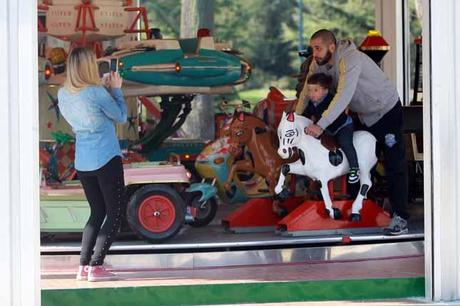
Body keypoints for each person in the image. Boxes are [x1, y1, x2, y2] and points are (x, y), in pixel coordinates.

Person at [296, 29, 409, 235]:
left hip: (385, 111)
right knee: (354, 159)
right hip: (363, 115)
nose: (315, 53)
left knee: (394, 163)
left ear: (332, 47)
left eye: (318, 48)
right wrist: (295, 119)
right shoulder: (318, 63)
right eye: (313, 48)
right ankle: (359, 210)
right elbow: (306, 92)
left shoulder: (351, 59)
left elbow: (343, 96)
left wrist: (320, 124)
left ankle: (400, 216)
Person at [58, 47, 127, 281]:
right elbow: (120, 116)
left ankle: (83, 267)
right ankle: (96, 266)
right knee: (115, 213)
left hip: (84, 160)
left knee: (97, 212)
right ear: (89, 66)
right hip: (106, 156)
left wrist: (105, 90)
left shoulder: (63, 94)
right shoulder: (96, 92)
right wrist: (116, 91)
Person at [302, 72, 360, 184]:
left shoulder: (331, 101)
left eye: (315, 90)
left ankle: (354, 168)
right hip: (326, 129)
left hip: (342, 126)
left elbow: (330, 118)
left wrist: (317, 125)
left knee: (345, 142)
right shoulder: (312, 103)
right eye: (309, 90)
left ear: (325, 90)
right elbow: (306, 115)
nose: (311, 93)